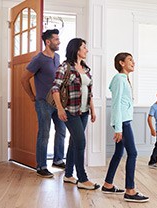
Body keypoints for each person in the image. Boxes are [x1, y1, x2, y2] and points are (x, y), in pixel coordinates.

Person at [51, 38, 100, 190]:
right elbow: (55, 89)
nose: (87, 50)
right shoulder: (65, 67)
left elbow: (89, 91)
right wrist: (59, 109)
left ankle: (68, 175)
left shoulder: (86, 68)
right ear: (77, 49)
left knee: (74, 142)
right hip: (70, 111)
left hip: (84, 111)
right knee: (80, 142)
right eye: (84, 47)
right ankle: (82, 179)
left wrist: (92, 109)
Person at [102, 52, 149, 202]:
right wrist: (118, 128)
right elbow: (115, 104)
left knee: (118, 153)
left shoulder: (124, 79)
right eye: (130, 60)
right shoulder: (119, 79)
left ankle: (108, 184)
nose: (133, 62)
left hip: (123, 121)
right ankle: (130, 190)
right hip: (122, 122)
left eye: (133, 60)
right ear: (121, 63)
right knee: (133, 153)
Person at [21, 29, 66, 178]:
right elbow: (24, 79)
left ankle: (58, 159)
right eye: (56, 39)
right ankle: (41, 166)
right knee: (44, 134)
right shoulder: (38, 59)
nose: (59, 42)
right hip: (43, 103)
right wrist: (32, 96)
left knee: (61, 131)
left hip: (58, 102)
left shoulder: (58, 57)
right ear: (48, 42)